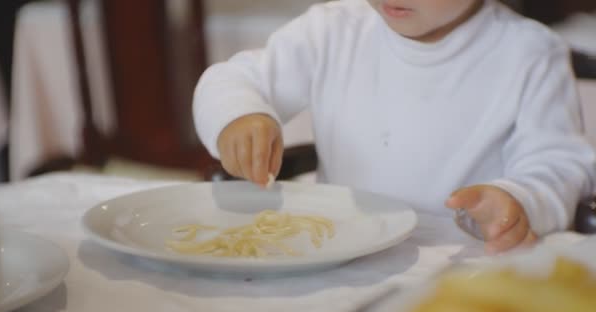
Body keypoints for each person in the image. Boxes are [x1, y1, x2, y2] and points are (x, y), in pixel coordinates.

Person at [193, 0, 596, 253]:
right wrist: (240, 114)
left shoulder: (530, 53)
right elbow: (235, 79)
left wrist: (519, 200)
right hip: (338, 253)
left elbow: (559, 163)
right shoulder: (332, 30)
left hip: (462, 265)